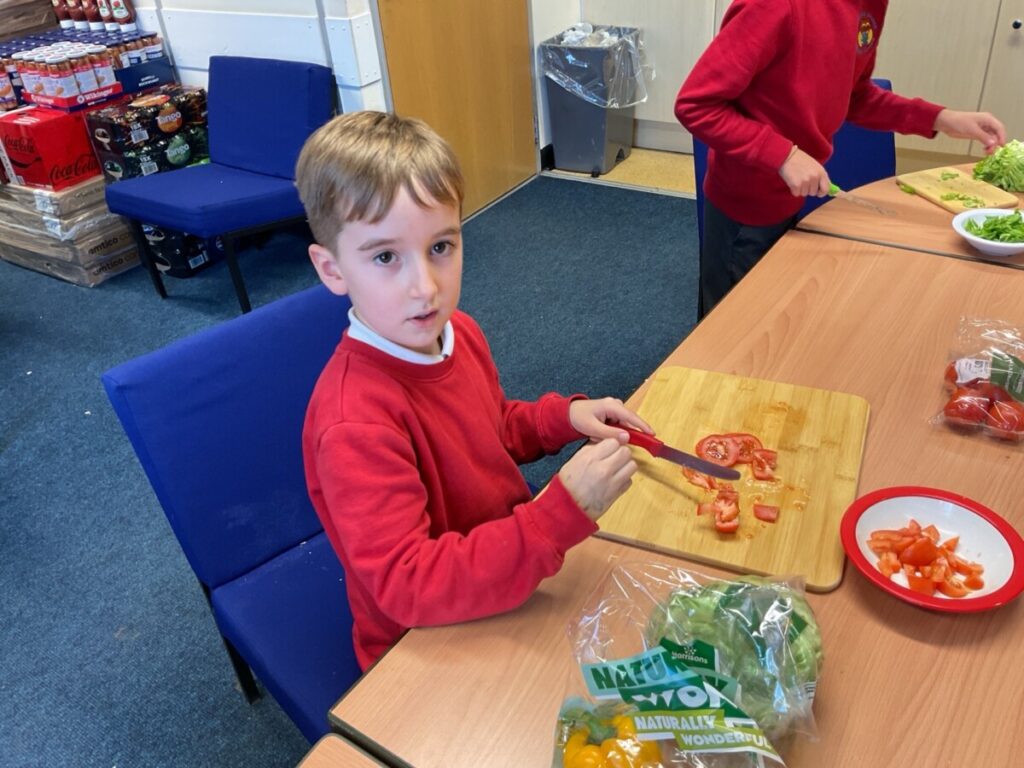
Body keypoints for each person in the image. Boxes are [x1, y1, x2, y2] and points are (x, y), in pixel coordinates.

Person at [295, 111, 652, 670]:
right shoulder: (353, 423)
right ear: (332, 269)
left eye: (441, 246)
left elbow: (493, 426)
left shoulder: (456, 332)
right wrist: (558, 515)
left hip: (508, 567)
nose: (425, 287)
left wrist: (566, 417)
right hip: (425, 641)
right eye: (386, 257)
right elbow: (408, 587)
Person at [675, 0, 1008, 318]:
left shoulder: (869, 6)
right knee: (730, 319)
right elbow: (696, 104)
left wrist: (940, 119)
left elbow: (855, 97)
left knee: (770, 309)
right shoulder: (774, 7)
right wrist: (783, 155)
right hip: (744, 205)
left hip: (790, 196)